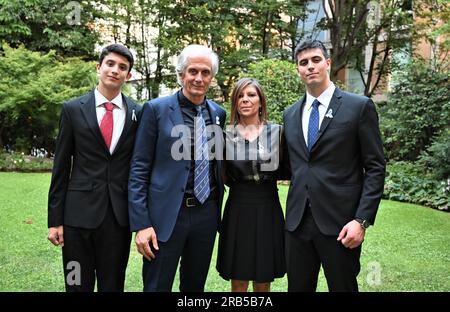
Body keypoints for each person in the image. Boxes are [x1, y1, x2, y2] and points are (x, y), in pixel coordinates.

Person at [283, 39, 386, 292]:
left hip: (341, 225)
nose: (310, 67)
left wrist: (361, 221)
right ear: (298, 69)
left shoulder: (358, 107)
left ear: (327, 63)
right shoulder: (290, 114)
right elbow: (292, 166)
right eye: (303, 62)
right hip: (297, 224)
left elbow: (375, 167)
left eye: (316, 60)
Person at [128, 44, 226, 292]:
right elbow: (139, 168)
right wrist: (141, 224)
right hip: (165, 217)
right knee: (157, 286)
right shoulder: (155, 109)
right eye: (193, 71)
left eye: (205, 72)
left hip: (206, 215)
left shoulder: (218, 114)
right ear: (181, 74)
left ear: (212, 78)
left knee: (194, 289)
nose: (199, 78)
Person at [47, 44, 142, 292]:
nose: (115, 70)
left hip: (117, 217)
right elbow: (60, 167)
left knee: (113, 285)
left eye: (122, 67)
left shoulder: (138, 114)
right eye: (110, 64)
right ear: (99, 67)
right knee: (76, 282)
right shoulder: (72, 110)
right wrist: (55, 221)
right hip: (76, 217)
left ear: (128, 75)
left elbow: (139, 166)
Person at [216, 78, 286, 292]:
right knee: (238, 276)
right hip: (238, 207)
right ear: (235, 102)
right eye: (240, 96)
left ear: (261, 101)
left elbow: (289, 169)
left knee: (263, 276)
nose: (245, 100)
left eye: (251, 95)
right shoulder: (224, 135)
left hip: (268, 206)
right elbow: (221, 174)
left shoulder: (278, 133)